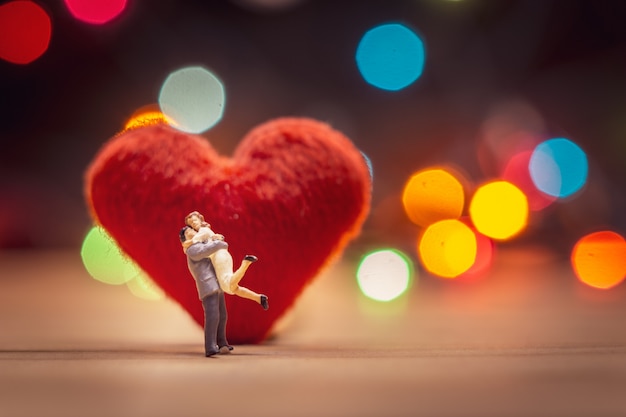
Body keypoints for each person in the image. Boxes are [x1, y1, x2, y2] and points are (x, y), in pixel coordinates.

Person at [183, 211, 269, 310]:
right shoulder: (204, 232)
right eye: (192, 224)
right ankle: (259, 298)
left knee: (229, 286)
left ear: (200, 220)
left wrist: (185, 245)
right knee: (234, 288)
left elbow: (190, 243)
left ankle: (245, 263)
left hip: (219, 257)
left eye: (194, 221)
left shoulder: (203, 231)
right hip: (221, 256)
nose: (194, 224)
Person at [179, 227, 231, 357]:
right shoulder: (192, 249)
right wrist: (219, 243)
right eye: (187, 232)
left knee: (222, 315)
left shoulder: (202, 242)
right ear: (185, 239)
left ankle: (222, 342)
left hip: (216, 282)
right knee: (213, 316)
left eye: (191, 229)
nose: (191, 231)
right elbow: (209, 249)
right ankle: (210, 346)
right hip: (208, 285)